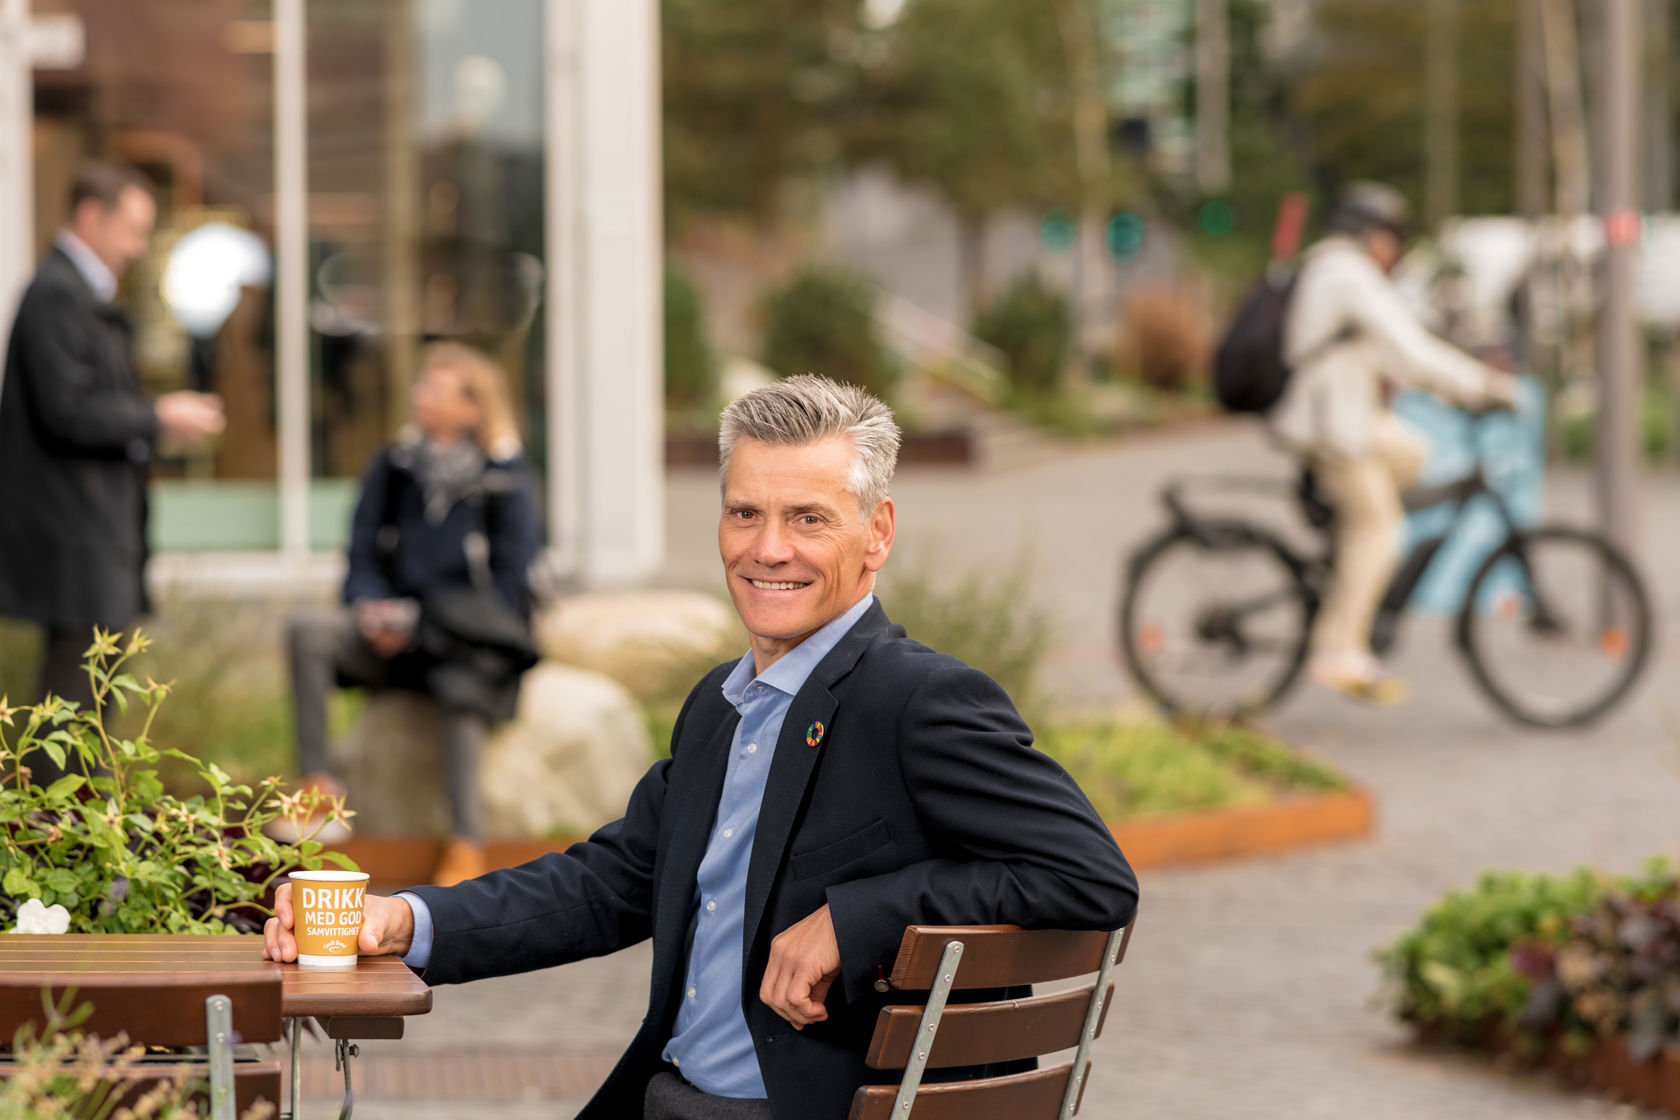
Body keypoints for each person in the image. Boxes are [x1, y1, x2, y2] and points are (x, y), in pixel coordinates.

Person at [264, 375, 1139, 1120]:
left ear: (877, 533)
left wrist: (856, 916)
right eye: (745, 513)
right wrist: (404, 919)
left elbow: (1092, 876)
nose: (768, 550)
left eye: (808, 519)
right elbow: (612, 883)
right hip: (668, 1098)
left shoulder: (918, 702)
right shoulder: (719, 707)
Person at [278, 341, 543, 887]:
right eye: (421, 386)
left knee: (463, 687)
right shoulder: (394, 466)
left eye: (435, 390)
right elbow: (361, 555)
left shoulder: (505, 478)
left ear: (473, 407)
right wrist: (372, 609)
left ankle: (468, 842)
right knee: (307, 632)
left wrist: (430, 623)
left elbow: (513, 584)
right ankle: (318, 789)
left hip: (462, 644)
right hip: (392, 638)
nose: (419, 397)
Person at [0, 162, 224, 783]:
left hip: (89, 530)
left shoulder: (77, 294)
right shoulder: (55, 294)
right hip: (72, 534)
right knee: (71, 711)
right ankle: (53, 854)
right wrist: (158, 413)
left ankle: (76, 853)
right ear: (91, 216)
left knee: (89, 705)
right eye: (132, 229)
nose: (137, 247)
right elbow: (68, 410)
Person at [1269, 182, 1519, 703]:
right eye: (1393, 239)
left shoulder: (1332, 270)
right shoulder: (1346, 273)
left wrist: (1448, 383)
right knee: (1382, 528)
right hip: (1334, 428)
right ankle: (1339, 650)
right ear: (1373, 236)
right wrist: (1481, 386)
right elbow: (1409, 346)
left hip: (1345, 418)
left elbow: (1388, 354)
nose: (1396, 252)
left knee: (1415, 453)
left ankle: (1348, 554)